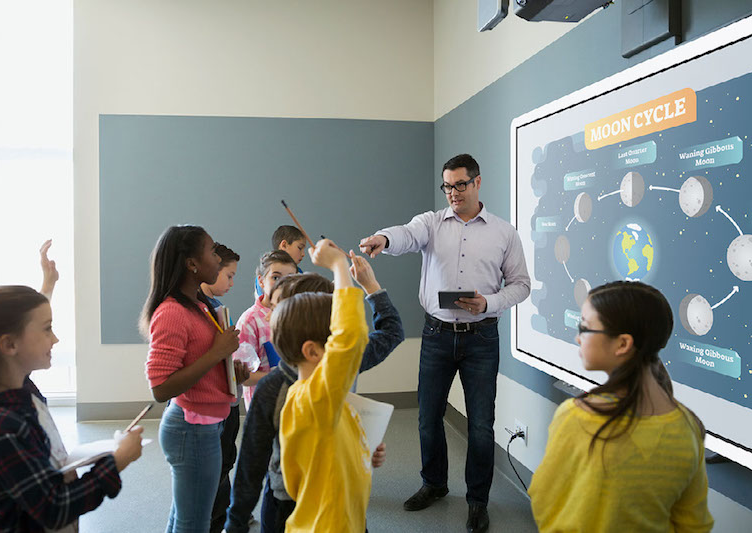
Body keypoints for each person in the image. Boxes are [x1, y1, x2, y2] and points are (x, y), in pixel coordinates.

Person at [359, 153, 531, 532]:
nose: (452, 193)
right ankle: (434, 484)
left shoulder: (504, 233)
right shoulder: (432, 223)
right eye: (447, 186)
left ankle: (477, 501)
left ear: (478, 182)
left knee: (482, 425)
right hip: (437, 335)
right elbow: (406, 234)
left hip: (482, 338)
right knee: (427, 417)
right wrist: (384, 239)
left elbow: (521, 284)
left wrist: (490, 302)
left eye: (460, 185)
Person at [225, 253, 403, 533]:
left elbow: (370, 335)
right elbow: (252, 461)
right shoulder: (281, 386)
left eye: (279, 308)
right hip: (292, 502)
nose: (269, 316)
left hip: (340, 500)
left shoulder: (340, 363)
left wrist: (362, 447)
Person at [0, 285, 144, 531]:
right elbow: (55, 507)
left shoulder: (21, 388)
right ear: (9, 345)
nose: (55, 339)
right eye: (47, 329)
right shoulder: (0, 429)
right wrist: (118, 460)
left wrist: (48, 283)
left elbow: (25, 328)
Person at [528, 281, 713, 533]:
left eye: (585, 327)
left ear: (623, 344)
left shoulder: (577, 417)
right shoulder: (688, 426)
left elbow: (545, 498)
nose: (577, 336)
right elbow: (694, 524)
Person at [141, 225, 248, 533]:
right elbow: (160, 388)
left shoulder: (199, 305)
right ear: (192, 264)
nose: (218, 258)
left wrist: (230, 372)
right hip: (192, 431)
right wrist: (216, 354)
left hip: (204, 426)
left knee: (184, 521)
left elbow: (201, 363)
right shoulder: (172, 312)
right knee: (193, 524)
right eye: (212, 252)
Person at [273, 239, 372, 532]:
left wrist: (364, 449)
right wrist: (339, 266)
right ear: (313, 352)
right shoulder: (315, 399)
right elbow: (350, 337)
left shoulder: (308, 397)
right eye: (332, 337)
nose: (338, 341)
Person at [197, 243, 248, 533]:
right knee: (213, 472)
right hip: (211, 406)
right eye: (227, 275)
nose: (231, 282)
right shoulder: (199, 309)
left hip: (227, 400)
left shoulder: (216, 308)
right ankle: (216, 522)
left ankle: (222, 517)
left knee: (225, 462)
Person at [235, 250, 297, 409]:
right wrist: (277, 376)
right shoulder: (250, 320)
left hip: (296, 404)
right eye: (276, 277)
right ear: (261, 281)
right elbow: (242, 375)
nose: (282, 284)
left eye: (289, 278)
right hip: (265, 407)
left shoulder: (297, 313)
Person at [254, 225, 306, 297]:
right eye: (300, 248)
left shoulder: (299, 273)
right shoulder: (265, 272)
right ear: (284, 245)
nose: (303, 254)